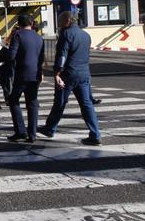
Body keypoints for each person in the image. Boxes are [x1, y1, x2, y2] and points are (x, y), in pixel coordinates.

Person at [38, 11, 102, 146]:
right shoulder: (86, 35)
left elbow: (62, 55)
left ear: (67, 21)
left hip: (68, 73)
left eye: (60, 21)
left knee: (60, 102)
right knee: (86, 105)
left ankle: (50, 128)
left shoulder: (66, 34)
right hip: (84, 73)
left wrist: (57, 73)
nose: (59, 24)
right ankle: (95, 133)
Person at [7, 15, 45, 143]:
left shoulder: (18, 35)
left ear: (18, 23)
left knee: (13, 100)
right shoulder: (39, 37)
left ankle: (20, 131)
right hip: (35, 74)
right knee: (32, 103)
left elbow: (11, 55)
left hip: (22, 73)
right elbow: (41, 58)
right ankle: (32, 133)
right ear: (31, 23)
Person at [0, 26, 18, 104]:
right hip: (8, 67)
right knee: (8, 82)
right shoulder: (7, 43)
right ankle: (8, 99)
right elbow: (0, 56)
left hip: (15, 67)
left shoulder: (17, 42)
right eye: (13, 32)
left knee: (11, 82)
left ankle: (10, 98)